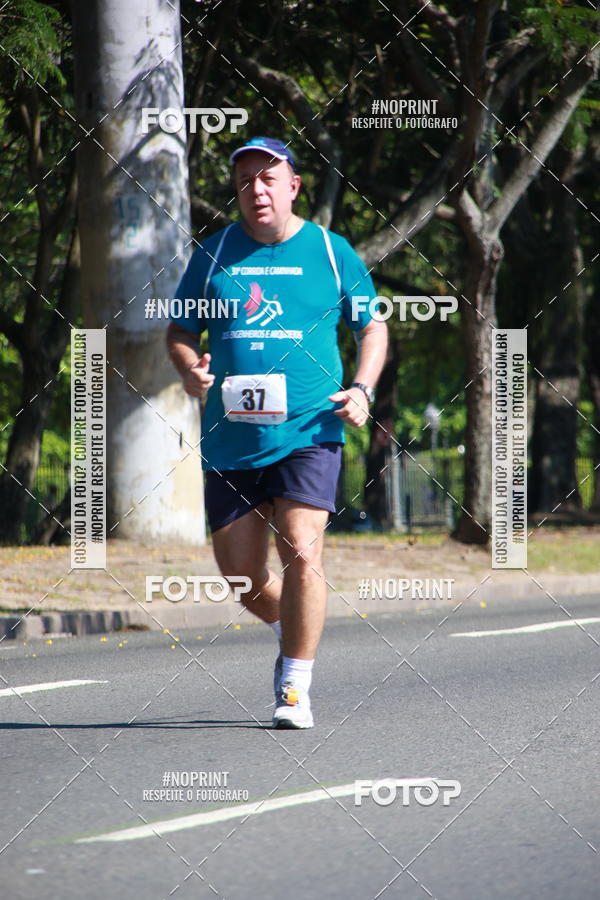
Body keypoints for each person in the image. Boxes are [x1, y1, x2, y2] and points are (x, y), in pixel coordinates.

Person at [166, 136, 387, 728]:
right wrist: (191, 368)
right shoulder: (213, 256)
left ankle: (294, 683)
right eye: (245, 181)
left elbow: (373, 329)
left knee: (302, 550)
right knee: (243, 580)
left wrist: (362, 390)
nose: (256, 189)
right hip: (232, 439)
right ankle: (296, 628)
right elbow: (181, 332)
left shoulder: (331, 252)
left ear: (293, 186)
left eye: (268, 178)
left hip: (311, 428)